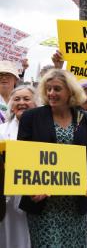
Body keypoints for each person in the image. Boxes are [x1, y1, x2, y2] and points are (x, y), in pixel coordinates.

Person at [16, 69, 87, 247]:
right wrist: (31, 188)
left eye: (57, 89)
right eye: (48, 89)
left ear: (71, 91)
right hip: (44, 205)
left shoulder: (85, 119)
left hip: (74, 205)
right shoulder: (31, 117)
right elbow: (23, 157)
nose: (51, 93)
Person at [0, 85, 38, 248]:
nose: (21, 102)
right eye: (17, 99)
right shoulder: (2, 130)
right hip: (7, 198)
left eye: (26, 99)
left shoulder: (45, 129)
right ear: (10, 104)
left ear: (36, 103)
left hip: (37, 197)